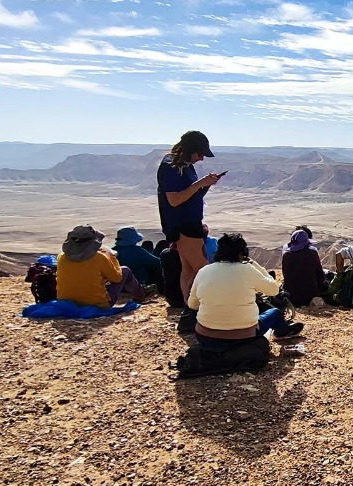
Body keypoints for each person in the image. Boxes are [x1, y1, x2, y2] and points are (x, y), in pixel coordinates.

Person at [188, 233, 303, 348]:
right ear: (241, 254)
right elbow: (274, 290)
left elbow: (192, 304)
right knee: (275, 313)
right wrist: (255, 265)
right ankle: (282, 332)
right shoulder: (248, 270)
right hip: (243, 337)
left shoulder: (203, 271)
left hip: (206, 337)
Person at [157, 130, 220, 303]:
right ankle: (205, 308)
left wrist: (205, 186)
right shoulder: (171, 166)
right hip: (183, 224)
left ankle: (189, 308)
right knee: (203, 269)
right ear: (190, 149)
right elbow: (175, 200)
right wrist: (200, 183)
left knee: (189, 269)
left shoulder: (183, 165)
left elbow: (189, 194)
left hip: (189, 220)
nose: (201, 158)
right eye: (200, 154)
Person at [56, 225, 148, 307]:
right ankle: (140, 296)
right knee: (125, 270)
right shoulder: (99, 257)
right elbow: (117, 278)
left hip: (65, 302)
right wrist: (112, 258)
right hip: (97, 304)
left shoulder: (61, 257)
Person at [281, 228, 328, 307]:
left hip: (292, 297)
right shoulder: (312, 254)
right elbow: (320, 275)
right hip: (311, 296)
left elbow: (286, 275)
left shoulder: (286, 255)